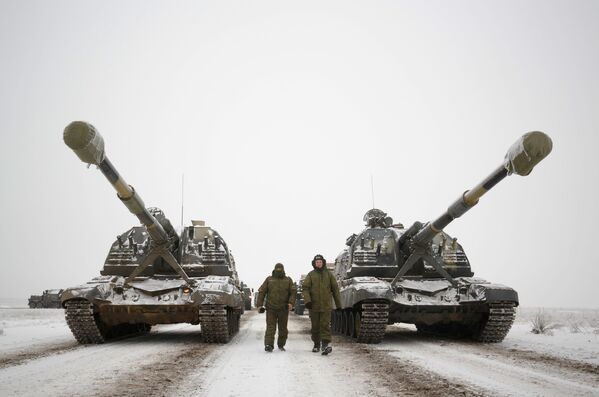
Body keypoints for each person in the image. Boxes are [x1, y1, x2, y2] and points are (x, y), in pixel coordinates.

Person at [302, 254, 341, 355]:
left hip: (326, 306)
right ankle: (316, 344)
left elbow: (335, 290)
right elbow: (305, 288)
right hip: (313, 306)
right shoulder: (311, 275)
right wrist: (308, 301)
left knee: (325, 326)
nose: (318, 264)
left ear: (323, 263)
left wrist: (339, 305)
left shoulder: (329, 275)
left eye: (320, 262)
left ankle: (325, 345)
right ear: (314, 264)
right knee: (315, 327)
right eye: (317, 262)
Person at [256, 263, 296, 352]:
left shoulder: (288, 280)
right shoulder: (269, 279)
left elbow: (293, 293)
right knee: (270, 327)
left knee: (283, 328)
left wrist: (291, 303)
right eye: (277, 269)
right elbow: (262, 292)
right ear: (274, 269)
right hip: (271, 308)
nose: (279, 270)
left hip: (284, 309)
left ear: (283, 269)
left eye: (280, 269)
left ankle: (281, 345)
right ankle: (269, 345)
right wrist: (259, 305)